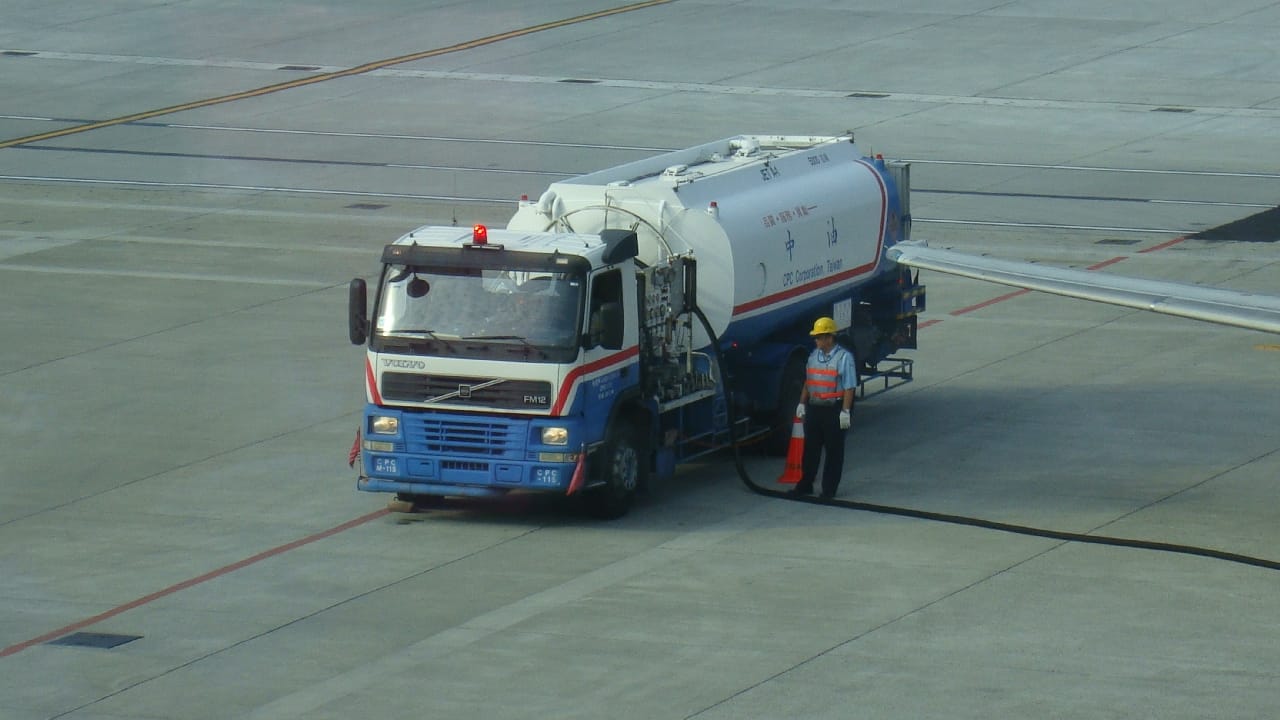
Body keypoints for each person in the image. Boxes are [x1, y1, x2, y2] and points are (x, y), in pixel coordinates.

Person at [788, 316, 856, 499]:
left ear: (829, 338)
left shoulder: (844, 358)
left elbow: (849, 387)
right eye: (815, 337)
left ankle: (829, 489)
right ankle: (805, 484)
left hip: (834, 409)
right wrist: (802, 403)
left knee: (834, 451)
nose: (816, 340)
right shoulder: (813, 357)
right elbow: (808, 381)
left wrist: (845, 411)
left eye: (819, 337)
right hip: (815, 408)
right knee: (810, 449)